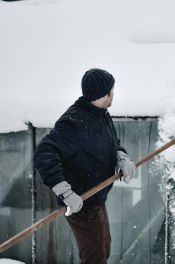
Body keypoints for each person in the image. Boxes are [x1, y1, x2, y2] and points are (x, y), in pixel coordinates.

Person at [34, 68, 136, 264]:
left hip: (96, 199)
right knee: (95, 259)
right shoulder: (72, 123)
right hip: (80, 203)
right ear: (101, 94)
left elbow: (110, 142)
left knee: (104, 250)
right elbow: (43, 154)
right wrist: (65, 192)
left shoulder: (101, 113)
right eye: (110, 91)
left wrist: (120, 156)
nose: (112, 94)